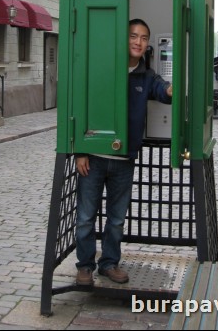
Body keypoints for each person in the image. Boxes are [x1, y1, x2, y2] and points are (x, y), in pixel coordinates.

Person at [74, 18, 173, 286]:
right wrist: (80, 150)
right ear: (123, 37)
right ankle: (84, 266)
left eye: (143, 38)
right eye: (133, 36)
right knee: (85, 218)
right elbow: (82, 103)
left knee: (116, 220)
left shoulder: (147, 75)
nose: (138, 42)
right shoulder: (103, 66)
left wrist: (176, 84)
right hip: (93, 158)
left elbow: (165, 92)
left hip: (123, 159)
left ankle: (109, 264)